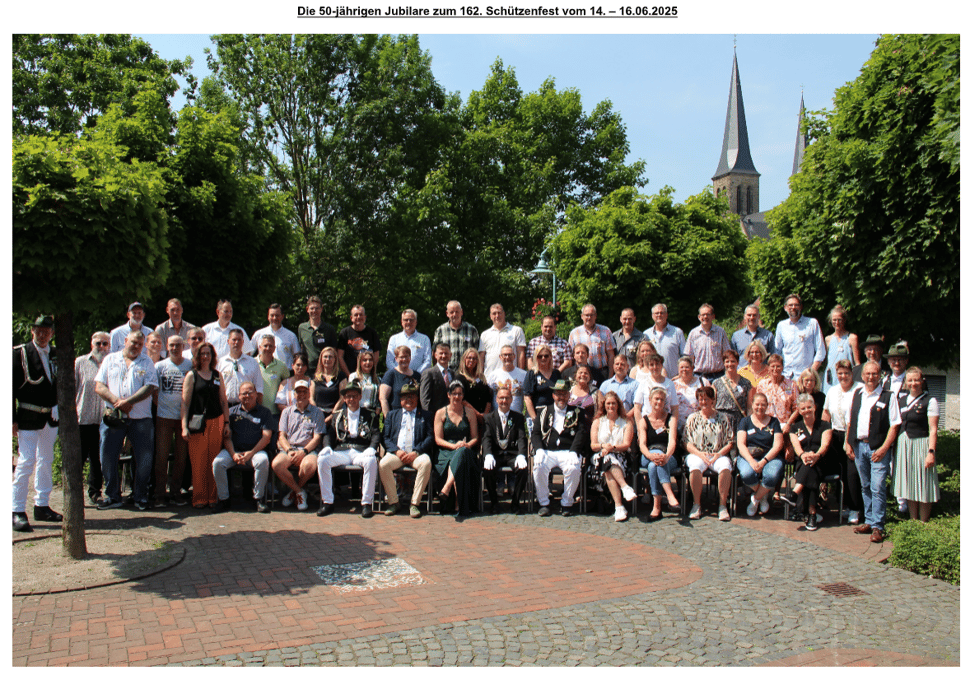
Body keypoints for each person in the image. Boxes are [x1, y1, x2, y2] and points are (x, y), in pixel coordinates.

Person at [95, 330, 159, 511]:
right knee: (107, 457)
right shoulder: (110, 359)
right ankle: (112, 496)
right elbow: (99, 386)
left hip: (141, 418)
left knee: (144, 459)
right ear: (125, 340)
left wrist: (129, 402)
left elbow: (150, 386)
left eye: (140, 344)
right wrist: (117, 402)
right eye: (133, 342)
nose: (136, 346)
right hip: (114, 418)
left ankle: (140, 496)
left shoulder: (146, 361)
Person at [12, 316, 62, 531]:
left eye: (46, 331)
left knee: (46, 460)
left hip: (51, 417)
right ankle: (16, 510)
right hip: (28, 415)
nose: (42, 335)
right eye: (38, 331)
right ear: (32, 331)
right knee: (26, 462)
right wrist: (11, 420)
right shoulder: (19, 353)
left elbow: (62, 384)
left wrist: (59, 406)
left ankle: (41, 505)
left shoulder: (57, 353)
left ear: (52, 333)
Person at [844, 361, 902, 543]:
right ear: (862, 376)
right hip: (859, 447)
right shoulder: (857, 394)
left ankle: (878, 526)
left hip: (878, 448)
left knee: (877, 487)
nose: (870, 377)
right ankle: (869, 521)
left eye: (874, 373)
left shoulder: (888, 396)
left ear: (880, 376)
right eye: (867, 374)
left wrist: (884, 448)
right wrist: (848, 443)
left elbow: (895, 425)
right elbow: (850, 421)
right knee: (865, 486)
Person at [316, 382, 381, 517]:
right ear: (344, 399)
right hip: (342, 451)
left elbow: (376, 434)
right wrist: (327, 446)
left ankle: (366, 503)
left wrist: (372, 448)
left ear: (360, 397)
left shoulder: (370, 415)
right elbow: (329, 434)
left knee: (371, 461)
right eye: (348, 396)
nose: (351, 399)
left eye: (354, 396)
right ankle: (327, 502)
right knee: (322, 459)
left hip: (361, 451)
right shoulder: (338, 415)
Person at [180, 342, 231, 509]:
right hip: (197, 423)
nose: (205, 356)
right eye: (202, 353)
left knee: (213, 460)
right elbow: (185, 403)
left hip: (216, 421)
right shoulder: (192, 375)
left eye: (208, 353)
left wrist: (226, 423)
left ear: (212, 356)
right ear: (197, 356)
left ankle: (213, 497)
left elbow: (224, 401)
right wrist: (184, 426)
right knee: (198, 461)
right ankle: (199, 498)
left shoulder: (217, 375)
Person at [212, 381, 275, 513]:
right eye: (244, 393)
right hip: (234, 452)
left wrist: (250, 453)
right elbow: (226, 437)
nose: (247, 396)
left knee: (263, 461)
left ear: (256, 394)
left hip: (255, 452)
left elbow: (266, 437)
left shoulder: (265, 413)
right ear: (239, 396)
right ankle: (224, 499)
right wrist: (233, 454)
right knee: (218, 463)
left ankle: (258, 499)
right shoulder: (230, 413)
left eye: (250, 392)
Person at [531, 379, 589, 517]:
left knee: (574, 468)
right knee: (539, 466)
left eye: (564, 394)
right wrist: (539, 449)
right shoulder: (543, 411)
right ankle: (544, 503)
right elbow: (536, 433)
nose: (561, 397)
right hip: (547, 451)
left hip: (568, 451)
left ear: (569, 395)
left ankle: (566, 503)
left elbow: (581, 433)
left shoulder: (578, 412)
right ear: (553, 395)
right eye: (558, 394)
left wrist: (574, 451)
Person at [380, 383, 435, 518]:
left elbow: (430, 437)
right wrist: (396, 451)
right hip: (397, 454)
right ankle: (394, 502)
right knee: (383, 464)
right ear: (400, 400)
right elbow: (385, 437)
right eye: (405, 397)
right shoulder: (392, 415)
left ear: (417, 398)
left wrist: (416, 452)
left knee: (426, 463)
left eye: (412, 396)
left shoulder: (426, 415)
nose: (408, 399)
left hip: (416, 454)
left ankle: (414, 504)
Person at [821, 359, 864, 524]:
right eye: (840, 373)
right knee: (838, 471)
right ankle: (843, 504)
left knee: (851, 473)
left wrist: (849, 441)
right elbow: (826, 413)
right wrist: (823, 434)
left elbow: (856, 416)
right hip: (835, 434)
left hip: (853, 436)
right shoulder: (832, 390)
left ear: (852, 373)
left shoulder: (859, 389)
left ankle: (855, 508)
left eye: (846, 373)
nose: (843, 376)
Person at [893, 367, 940, 522]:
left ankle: (923, 522)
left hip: (922, 444)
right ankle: (913, 521)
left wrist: (931, 452)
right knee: (910, 484)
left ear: (922, 381)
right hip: (904, 445)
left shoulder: (930, 401)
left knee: (924, 483)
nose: (913, 383)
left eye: (916, 380)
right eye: (910, 380)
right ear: (906, 382)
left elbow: (933, 429)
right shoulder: (900, 400)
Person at [272, 379, 325, 511]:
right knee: (276, 464)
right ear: (294, 394)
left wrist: (304, 452)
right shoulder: (286, 412)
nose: (301, 394)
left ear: (309, 393)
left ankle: (293, 492)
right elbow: (281, 436)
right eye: (298, 391)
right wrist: (289, 450)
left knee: (309, 466)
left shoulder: (317, 412)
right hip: (290, 449)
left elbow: (317, 438)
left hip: (309, 450)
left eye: (304, 391)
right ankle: (299, 491)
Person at [683, 386, 734, 521]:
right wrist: (700, 454)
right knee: (695, 467)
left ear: (713, 400)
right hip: (698, 453)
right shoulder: (692, 418)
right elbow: (686, 442)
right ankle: (696, 505)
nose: (703, 402)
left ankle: (722, 506)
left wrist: (718, 454)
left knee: (725, 467)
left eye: (706, 399)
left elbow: (730, 442)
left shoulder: (722, 417)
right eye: (701, 399)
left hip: (717, 454)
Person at [153, 335, 192, 507]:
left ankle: (176, 492)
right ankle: (160, 494)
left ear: (183, 346)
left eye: (178, 345)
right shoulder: (159, 366)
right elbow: (154, 391)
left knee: (181, 457)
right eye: (171, 345)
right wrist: (162, 406)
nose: (175, 348)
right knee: (161, 456)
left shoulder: (189, 365)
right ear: (167, 347)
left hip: (183, 417)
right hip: (164, 416)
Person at [787, 394, 835, 531]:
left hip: (822, 461)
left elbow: (825, 445)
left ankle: (795, 493)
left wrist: (816, 455)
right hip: (803, 462)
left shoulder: (825, 425)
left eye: (809, 407)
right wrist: (803, 455)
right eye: (803, 408)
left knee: (811, 467)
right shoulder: (794, 428)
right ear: (799, 410)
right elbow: (797, 447)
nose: (806, 410)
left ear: (814, 407)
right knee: (809, 469)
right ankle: (812, 514)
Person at [433, 380, 481, 518]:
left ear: (463, 395)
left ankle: (447, 487)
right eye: (454, 393)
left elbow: (475, 437)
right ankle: (457, 503)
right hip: (446, 450)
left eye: (460, 394)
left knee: (462, 453)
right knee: (459, 455)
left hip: (466, 449)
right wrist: (454, 446)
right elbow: (438, 439)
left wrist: (467, 445)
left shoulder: (470, 413)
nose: (457, 397)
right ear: (448, 395)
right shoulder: (440, 413)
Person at [589, 391, 637, 522]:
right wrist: (604, 446)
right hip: (599, 456)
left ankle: (619, 506)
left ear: (618, 405)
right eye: (608, 403)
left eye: (613, 403)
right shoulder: (598, 422)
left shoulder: (626, 422)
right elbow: (593, 445)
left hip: (621, 456)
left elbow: (626, 444)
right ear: (604, 405)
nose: (611, 406)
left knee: (608, 464)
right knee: (606, 460)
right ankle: (624, 487)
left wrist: (612, 448)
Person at [481, 386, 529, 514]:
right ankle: (494, 503)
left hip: (512, 454)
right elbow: (486, 438)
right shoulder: (488, 418)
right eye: (501, 398)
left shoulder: (518, 417)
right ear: (496, 399)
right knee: (487, 469)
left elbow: (521, 438)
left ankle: (515, 503)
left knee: (523, 470)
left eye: (507, 398)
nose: (504, 401)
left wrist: (521, 455)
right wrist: (488, 455)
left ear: (511, 399)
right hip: (496, 454)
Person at [75, 331, 109, 507]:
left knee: (98, 459)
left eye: (105, 343)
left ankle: (95, 493)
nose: (101, 347)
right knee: (78, 458)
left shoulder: (112, 363)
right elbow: (72, 388)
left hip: (103, 420)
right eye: (98, 343)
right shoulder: (80, 362)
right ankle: (74, 494)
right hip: (82, 418)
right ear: (91, 344)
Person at [736, 392, 785, 518]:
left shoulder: (774, 422)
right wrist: (751, 461)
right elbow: (741, 444)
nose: (760, 407)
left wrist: (763, 461)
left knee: (772, 475)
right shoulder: (745, 421)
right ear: (752, 405)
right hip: (749, 456)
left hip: (770, 457)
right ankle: (763, 495)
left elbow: (778, 445)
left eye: (763, 405)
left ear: (767, 406)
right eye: (757, 404)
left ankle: (756, 498)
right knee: (747, 474)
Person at [638, 387, 680, 519]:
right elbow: (642, 444)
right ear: (650, 400)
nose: (659, 402)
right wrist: (650, 455)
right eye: (656, 399)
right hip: (648, 455)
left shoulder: (671, 419)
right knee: (654, 460)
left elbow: (672, 442)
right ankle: (670, 494)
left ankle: (656, 508)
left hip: (668, 455)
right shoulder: (643, 421)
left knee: (653, 466)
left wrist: (666, 456)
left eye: (662, 399)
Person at [774, 294, 825, 379]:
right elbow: (777, 350)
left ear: (801, 307)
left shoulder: (812, 323)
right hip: (786, 376)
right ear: (785, 308)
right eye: (790, 305)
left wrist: (811, 372)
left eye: (796, 305)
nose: (793, 307)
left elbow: (821, 351)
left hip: (805, 377)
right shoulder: (781, 325)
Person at [567, 304, 616, 378]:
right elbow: (571, 357)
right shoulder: (574, 333)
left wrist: (610, 377)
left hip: (601, 373)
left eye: (591, 315)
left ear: (595, 316)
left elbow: (611, 355)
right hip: (581, 374)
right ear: (582, 316)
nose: (589, 318)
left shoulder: (605, 331)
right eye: (586, 315)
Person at [218, 329, 264, 407]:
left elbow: (259, 388)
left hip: (246, 406)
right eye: (234, 340)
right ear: (228, 341)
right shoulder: (221, 363)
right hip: (224, 406)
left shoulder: (252, 362)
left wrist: (257, 408)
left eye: (239, 340)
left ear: (243, 342)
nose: (236, 342)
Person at [685, 303, 731, 381]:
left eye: (708, 314)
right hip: (699, 376)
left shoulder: (721, 332)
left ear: (713, 316)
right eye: (703, 315)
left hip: (718, 376)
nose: (705, 317)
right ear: (699, 317)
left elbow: (727, 354)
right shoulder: (693, 333)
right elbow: (689, 356)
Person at [297, 295, 339, 379]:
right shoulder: (302, 328)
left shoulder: (329, 328)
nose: (314, 311)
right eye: (312, 308)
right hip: (308, 371)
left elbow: (334, 351)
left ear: (321, 309)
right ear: (307, 309)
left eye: (317, 308)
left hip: (325, 370)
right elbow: (301, 347)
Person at [822, 305, 861, 393]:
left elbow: (857, 363)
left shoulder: (852, 338)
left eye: (839, 319)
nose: (837, 322)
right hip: (831, 377)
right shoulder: (828, 339)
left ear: (844, 320)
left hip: (846, 376)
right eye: (834, 320)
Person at [478, 303, 527, 374]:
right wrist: (480, 376)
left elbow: (521, 354)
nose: (497, 316)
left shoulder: (516, 331)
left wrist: (521, 375)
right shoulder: (484, 334)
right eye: (494, 313)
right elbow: (481, 357)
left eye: (499, 313)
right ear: (490, 316)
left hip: (511, 376)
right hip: (489, 376)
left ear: (504, 314)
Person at [713, 349, 752, 436]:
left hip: (740, 421)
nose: (730, 364)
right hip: (722, 422)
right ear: (723, 363)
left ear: (737, 362)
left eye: (733, 361)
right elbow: (713, 406)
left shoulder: (746, 383)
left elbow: (749, 406)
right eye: (727, 361)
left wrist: (748, 423)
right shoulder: (716, 383)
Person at [756, 354, 797, 437]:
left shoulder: (791, 384)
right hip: (767, 425)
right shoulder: (762, 384)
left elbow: (797, 408)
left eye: (778, 366)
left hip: (785, 426)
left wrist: (788, 424)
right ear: (768, 368)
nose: (775, 369)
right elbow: (757, 406)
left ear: (782, 367)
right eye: (773, 366)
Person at [433, 300, 480, 372]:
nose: (454, 314)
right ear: (447, 313)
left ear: (461, 312)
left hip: (467, 372)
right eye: (451, 312)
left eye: (457, 312)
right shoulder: (440, 330)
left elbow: (477, 353)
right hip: (446, 372)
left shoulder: (472, 330)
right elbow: (434, 353)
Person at [251, 303, 301, 369]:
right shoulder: (259, 334)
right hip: (263, 373)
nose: (274, 318)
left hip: (285, 373)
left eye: (277, 315)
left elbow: (298, 358)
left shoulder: (291, 336)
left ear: (282, 316)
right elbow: (248, 353)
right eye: (272, 315)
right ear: (268, 317)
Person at [644, 303, 685, 381]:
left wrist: (681, 374)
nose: (659, 315)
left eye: (662, 313)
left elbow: (684, 356)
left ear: (666, 315)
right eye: (656, 313)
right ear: (652, 316)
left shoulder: (677, 332)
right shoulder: (646, 334)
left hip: (674, 379)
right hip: (652, 380)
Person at [337, 305, 382, 376]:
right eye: (356, 315)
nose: (358, 317)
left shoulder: (372, 333)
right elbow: (340, 357)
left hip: (367, 375)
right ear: (351, 318)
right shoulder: (344, 333)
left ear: (365, 317)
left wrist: (372, 372)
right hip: (349, 374)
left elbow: (376, 355)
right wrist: (349, 376)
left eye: (361, 314)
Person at [632, 354, 678, 422]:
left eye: (657, 364)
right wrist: (640, 425)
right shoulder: (644, 383)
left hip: (665, 421)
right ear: (648, 367)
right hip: (647, 422)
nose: (655, 367)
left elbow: (675, 408)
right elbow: (637, 408)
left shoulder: (670, 384)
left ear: (661, 366)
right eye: (651, 365)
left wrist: (672, 424)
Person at [522, 344, 561, 423]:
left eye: (546, 356)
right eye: (540, 356)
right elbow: (527, 398)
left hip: (554, 414)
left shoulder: (556, 373)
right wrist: (534, 418)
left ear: (550, 357)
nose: (543, 358)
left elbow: (561, 394)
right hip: (536, 413)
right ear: (536, 358)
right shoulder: (532, 374)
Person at [672, 355, 709, 437]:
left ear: (692, 368)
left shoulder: (703, 382)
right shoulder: (672, 384)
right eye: (681, 367)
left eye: (687, 367)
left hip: (699, 425)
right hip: (678, 427)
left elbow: (711, 402)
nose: (684, 370)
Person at [385, 309, 432, 374]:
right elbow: (389, 361)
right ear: (401, 322)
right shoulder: (394, 339)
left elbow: (428, 361)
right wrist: (398, 373)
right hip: (397, 376)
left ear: (416, 322)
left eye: (411, 320)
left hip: (418, 377)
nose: (409, 322)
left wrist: (415, 374)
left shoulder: (424, 339)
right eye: (406, 320)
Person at [256, 334, 289, 420]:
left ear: (274, 348)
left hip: (274, 413)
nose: (268, 348)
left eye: (270, 346)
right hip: (255, 411)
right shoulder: (252, 363)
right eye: (265, 345)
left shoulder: (281, 366)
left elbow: (287, 386)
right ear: (259, 347)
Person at [487, 345, 528, 414]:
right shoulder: (493, 375)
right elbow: (488, 399)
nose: (507, 357)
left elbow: (528, 398)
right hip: (497, 416)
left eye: (510, 355)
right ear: (500, 357)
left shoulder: (524, 375)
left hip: (517, 416)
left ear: (514, 356)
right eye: (505, 355)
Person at [380, 345, 419, 416]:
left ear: (410, 358)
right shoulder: (390, 375)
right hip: (395, 416)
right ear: (396, 359)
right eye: (401, 357)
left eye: (406, 356)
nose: (404, 359)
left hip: (414, 417)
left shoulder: (417, 376)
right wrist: (388, 418)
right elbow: (383, 398)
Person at [731, 304, 774, 368]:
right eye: (749, 315)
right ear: (744, 316)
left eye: (754, 315)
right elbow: (732, 358)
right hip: (742, 373)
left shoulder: (768, 335)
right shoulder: (736, 336)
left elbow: (772, 358)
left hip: (762, 373)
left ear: (759, 316)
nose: (751, 317)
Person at [455, 347, 493, 421]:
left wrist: (485, 415)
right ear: (464, 359)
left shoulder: (481, 377)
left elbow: (488, 396)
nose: (471, 360)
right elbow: (462, 399)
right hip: (467, 417)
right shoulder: (459, 378)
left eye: (474, 358)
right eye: (469, 358)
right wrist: (477, 414)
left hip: (483, 418)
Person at [599, 354, 639, 420]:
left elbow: (637, 405)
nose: (619, 366)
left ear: (627, 366)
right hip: (608, 421)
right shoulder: (605, 385)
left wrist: (625, 418)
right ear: (613, 366)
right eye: (617, 364)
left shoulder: (635, 384)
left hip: (627, 420)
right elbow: (600, 406)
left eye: (622, 364)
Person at [313, 346, 346, 425]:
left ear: (335, 359)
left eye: (330, 357)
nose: (327, 359)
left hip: (335, 415)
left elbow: (342, 398)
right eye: (325, 356)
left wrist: (332, 416)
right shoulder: (315, 378)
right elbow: (311, 398)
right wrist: (317, 414)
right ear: (321, 359)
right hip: (317, 415)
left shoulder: (341, 376)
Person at [420, 342, 454, 414]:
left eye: (446, 353)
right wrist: (429, 417)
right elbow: (425, 400)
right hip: (434, 415)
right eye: (441, 353)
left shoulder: (453, 373)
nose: (443, 356)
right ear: (435, 355)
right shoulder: (428, 373)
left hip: (452, 414)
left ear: (450, 355)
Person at [568, 365, 601, 436]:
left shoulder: (596, 393)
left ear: (589, 377)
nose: (583, 375)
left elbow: (601, 412)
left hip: (588, 431)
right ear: (575, 376)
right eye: (580, 373)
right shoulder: (569, 391)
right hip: (570, 430)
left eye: (586, 373)